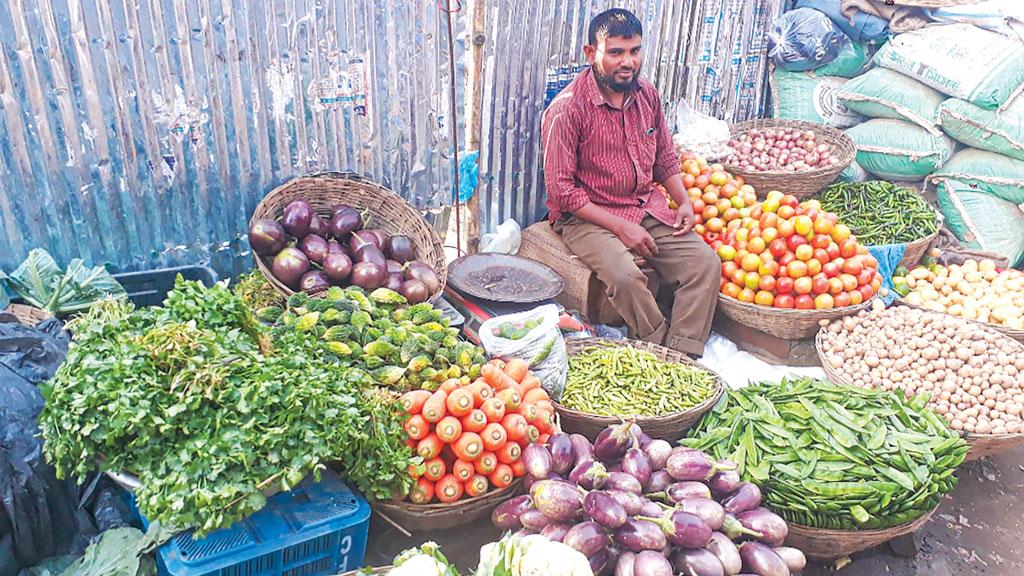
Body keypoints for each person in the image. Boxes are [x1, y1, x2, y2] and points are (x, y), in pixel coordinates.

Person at [541, 8, 719, 357]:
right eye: (616, 52)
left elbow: (665, 157)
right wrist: (621, 229)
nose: (628, 62)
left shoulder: (647, 95)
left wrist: (682, 200)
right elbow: (562, 192)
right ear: (591, 54)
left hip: (642, 204)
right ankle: (658, 347)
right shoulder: (567, 110)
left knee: (705, 264)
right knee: (625, 277)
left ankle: (684, 356)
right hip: (585, 215)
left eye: (635, 51)